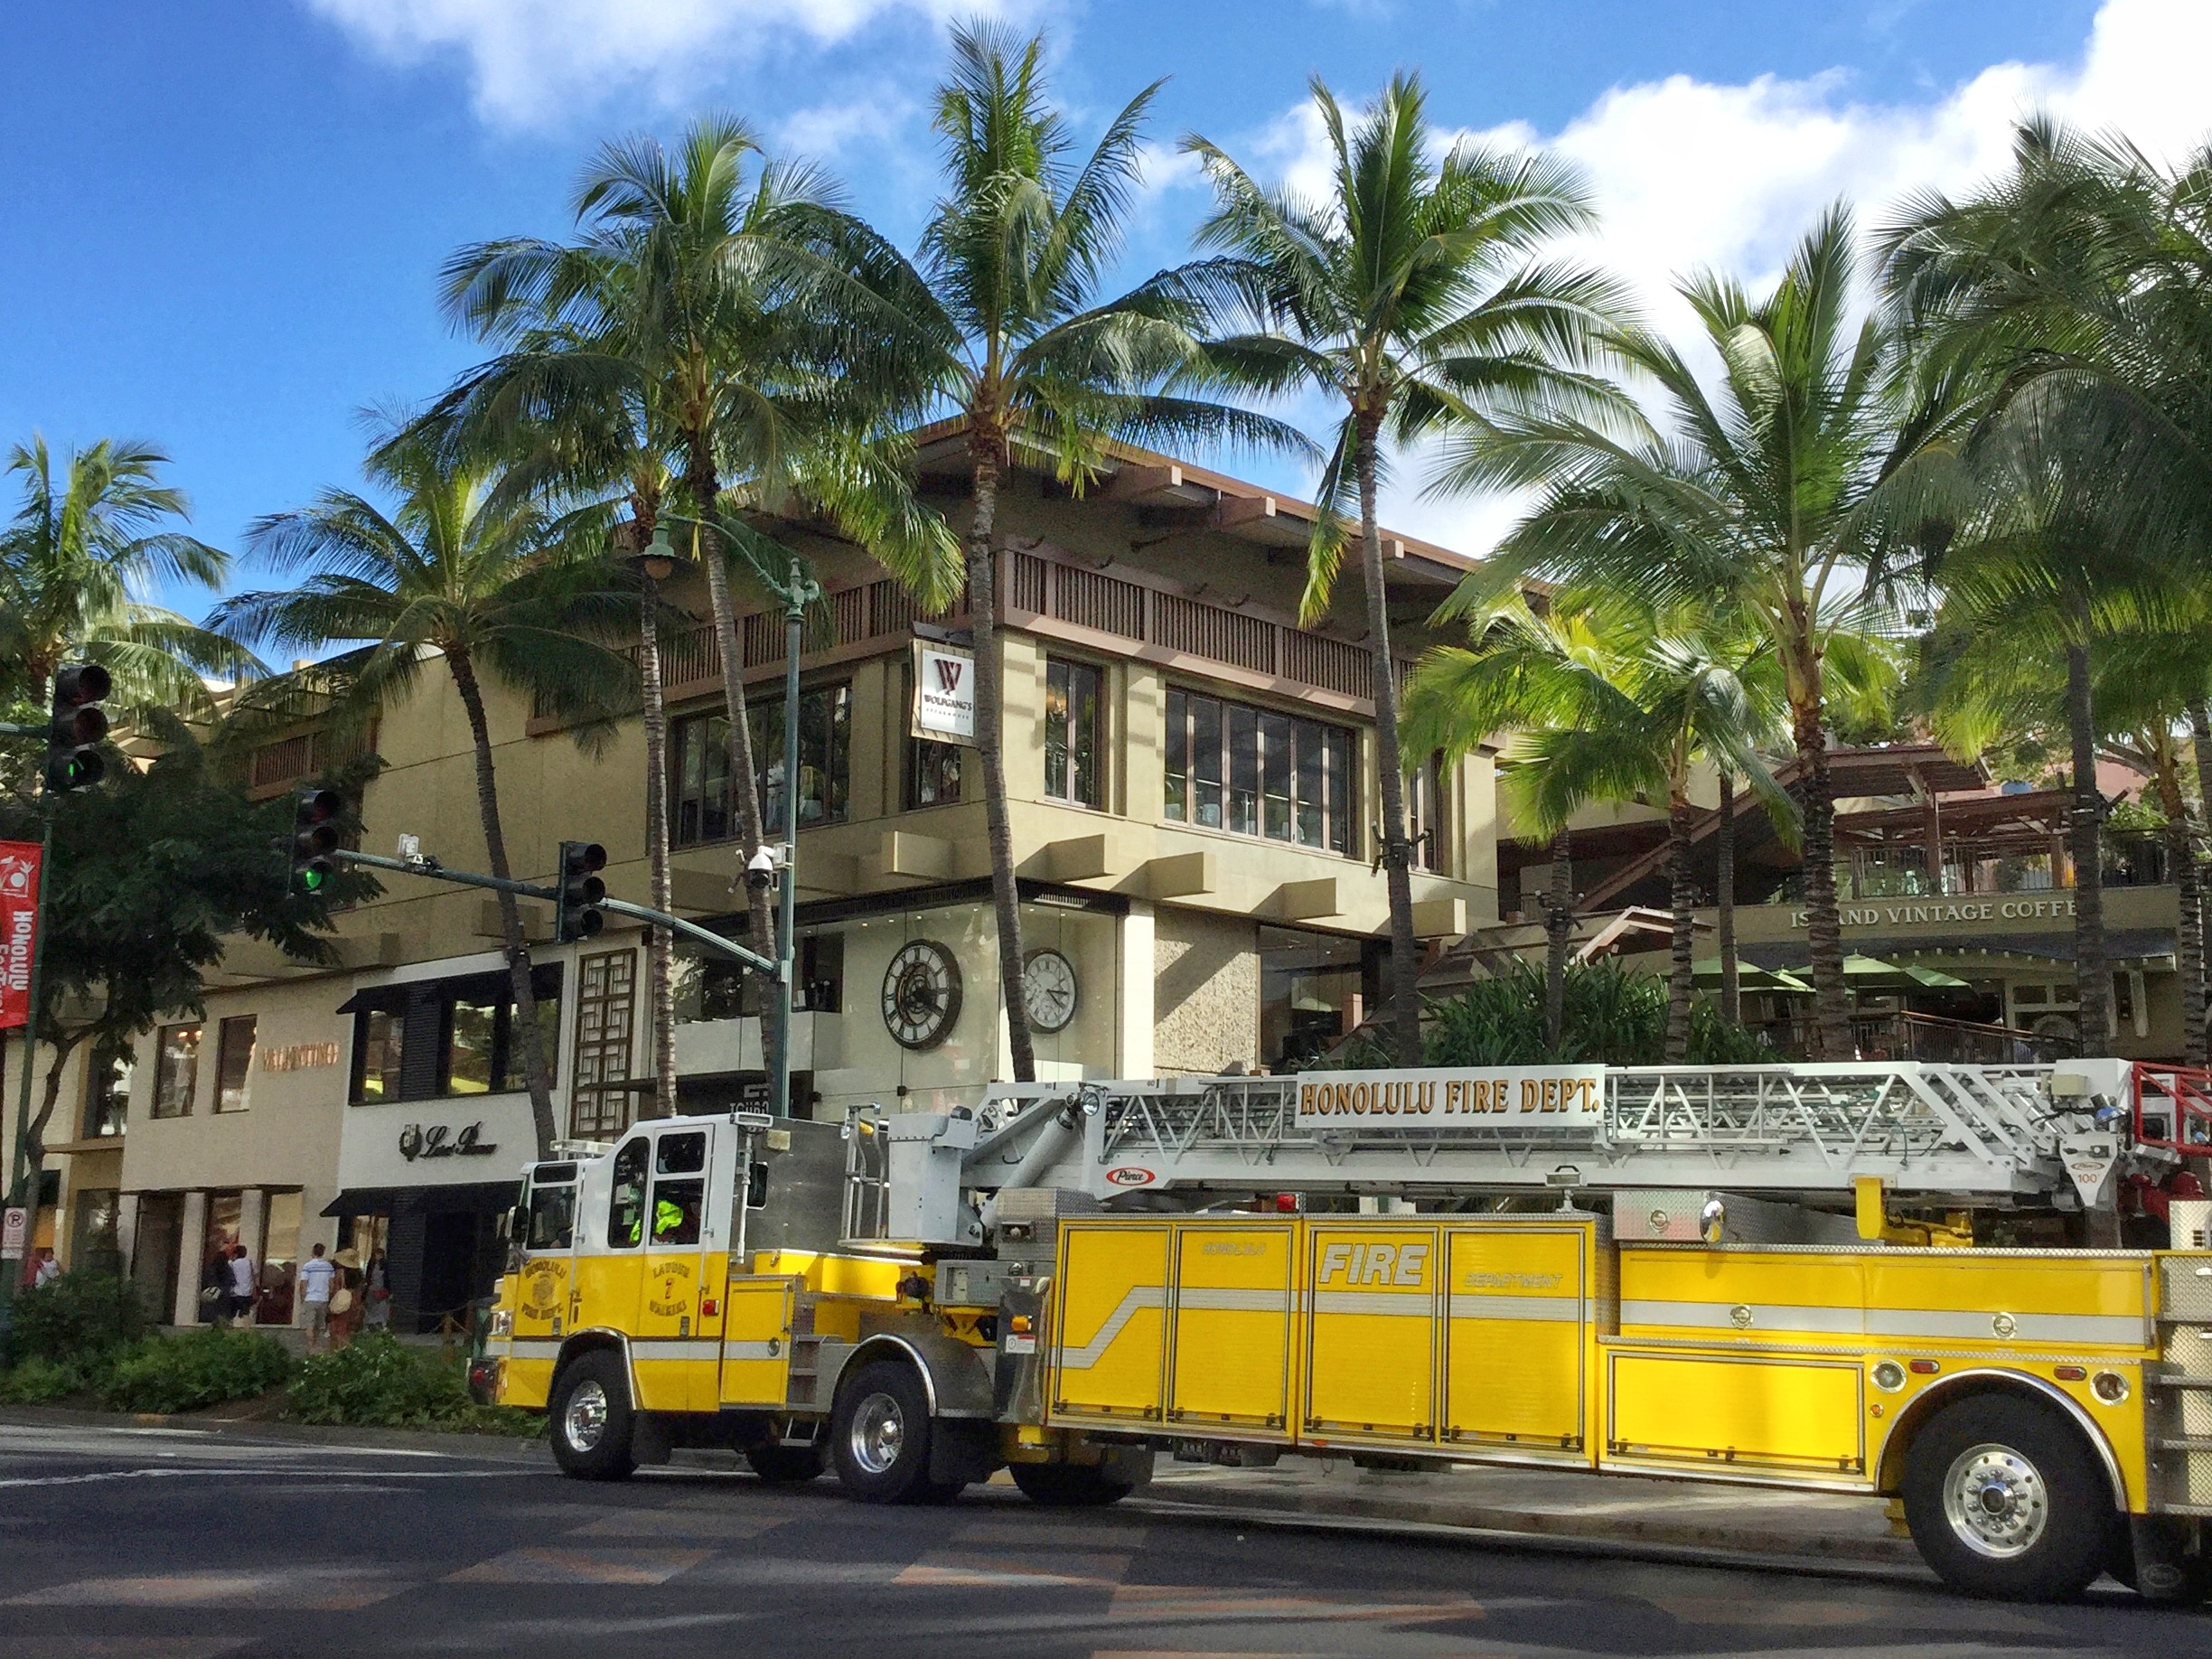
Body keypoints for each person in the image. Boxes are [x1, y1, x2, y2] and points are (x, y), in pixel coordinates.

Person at [297, 1242, 336, 1353]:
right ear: (323, 1252)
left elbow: (303, 1283)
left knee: (309, 1324)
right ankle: (314, 1344)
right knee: (318, 1325)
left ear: (313, 1252)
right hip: (323, 1298)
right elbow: (331, 1284)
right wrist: (330, 1296)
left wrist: (302, 1297)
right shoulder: (328, 1267)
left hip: (310, 1298)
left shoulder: (308, 1266)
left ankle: (311, 1347)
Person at [228, 1243, 256, 1326]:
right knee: (246, 1314)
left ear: (235, 1254)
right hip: (248, 1292)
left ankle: (228, 1330)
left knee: (231, 1314)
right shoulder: (250, 1263)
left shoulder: (232, 1264)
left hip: (236, 1292)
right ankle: (247, 1332)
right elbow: (255, 1274)